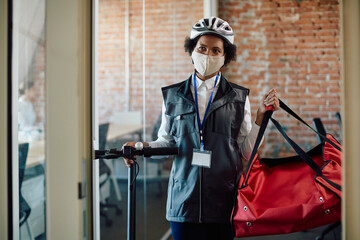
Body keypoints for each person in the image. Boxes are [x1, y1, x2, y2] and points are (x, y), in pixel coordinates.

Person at [123, 17, 279, 240]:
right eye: (202, 48)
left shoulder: (238, 97)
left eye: (216, 51)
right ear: (192, 50)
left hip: (225, 200)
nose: (207, 55)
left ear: (225, 57)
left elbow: (246, 152)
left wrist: (260, 120)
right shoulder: (173, 95)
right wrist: (138, 147)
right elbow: (166, 143)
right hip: (183, 201)